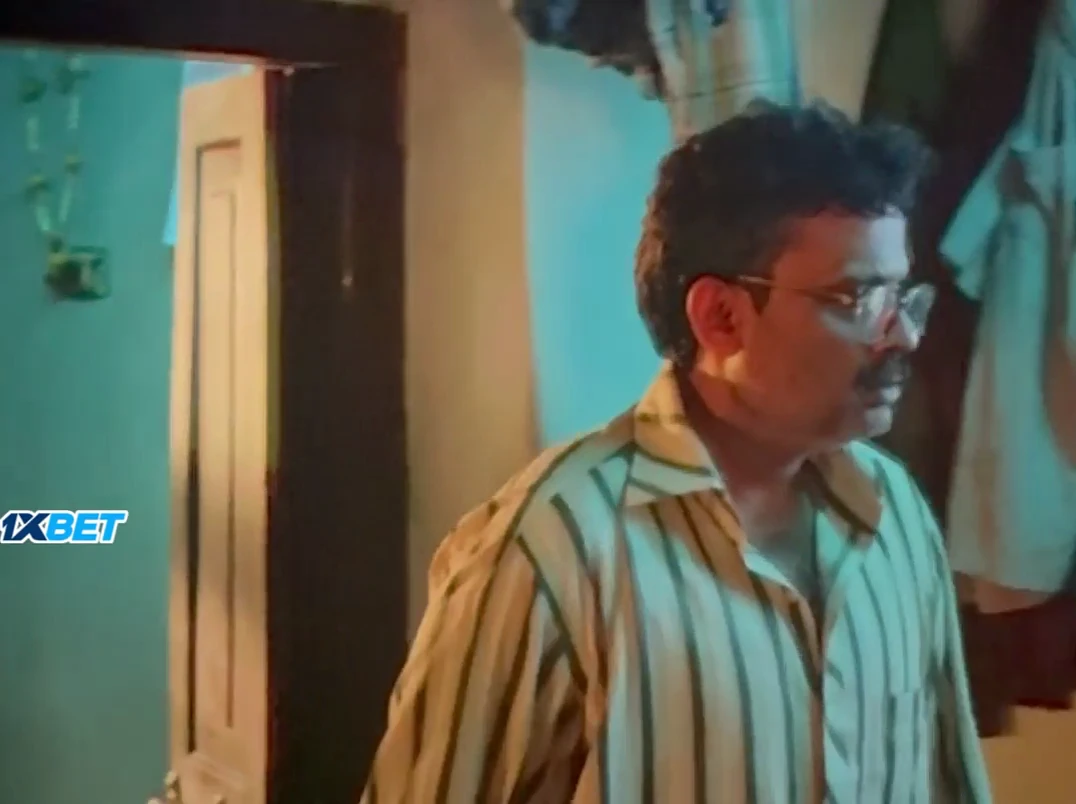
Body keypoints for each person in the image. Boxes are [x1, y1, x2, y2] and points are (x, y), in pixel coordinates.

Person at [362, 102, 993, 804]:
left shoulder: (894, 512)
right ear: (721, 317)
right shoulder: (549, 555)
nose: (902, 335)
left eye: (902, 296)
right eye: (859, 298)